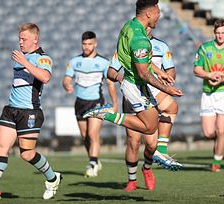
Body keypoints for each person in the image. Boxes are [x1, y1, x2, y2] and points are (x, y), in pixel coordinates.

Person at [83, 0, 183, 170]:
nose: (159, 15)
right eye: (158, 12)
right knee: (149, 126)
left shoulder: (129, 26)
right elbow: (143, 73)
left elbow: (139, 62)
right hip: (135, 85)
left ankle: (160, 151)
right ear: (149, 13)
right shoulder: (141, 40)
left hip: (135, 83)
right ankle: (107, 115)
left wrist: (161, 73)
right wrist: (167, 88)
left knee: (169, 111)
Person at [0, 23, 62, 201]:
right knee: (1, 148)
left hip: (30, 111)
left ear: (35, 39)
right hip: (11, 109)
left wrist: (25, 62)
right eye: (19, 39)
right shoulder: (21, 57)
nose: (20, 42)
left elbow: (45, 77)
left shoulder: (43, 58)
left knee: (27, 154)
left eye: (24, 39)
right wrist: (23, 60)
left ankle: (53, 178)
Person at [108, 26, 180, 192]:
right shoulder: (129, 44)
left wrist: (167, 79)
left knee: (151, 143)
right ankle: (132, 179)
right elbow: (111, 71)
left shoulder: (161, 47)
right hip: (133, 95)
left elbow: (170, 70)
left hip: (152, 96)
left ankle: (147, 168)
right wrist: (120, 77)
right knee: (133, 142)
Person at [62, 31, 117, 178]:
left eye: (89, 44)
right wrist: (67, 84)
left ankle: (92, 163)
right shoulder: (74, 61)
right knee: (85, 136)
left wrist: (115, 103)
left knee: (93, 134)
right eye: (84, 44)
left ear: (95, 44)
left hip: (96, 102)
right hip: (80, 103)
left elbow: (110, 84)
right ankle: (94, 160)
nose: (86, 47)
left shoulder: (104, 62)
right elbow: (66, 78)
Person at [194, 18, 224, 172]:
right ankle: (219, 142)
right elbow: (196, 69)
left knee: (221, 130)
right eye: (218, 33)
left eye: (223, 33)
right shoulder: (204, 48)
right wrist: (209, 75)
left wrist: (222, 79)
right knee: (209, 133)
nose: (221, 36)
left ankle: (217, 161)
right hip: (208, 94)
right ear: (214, 33)